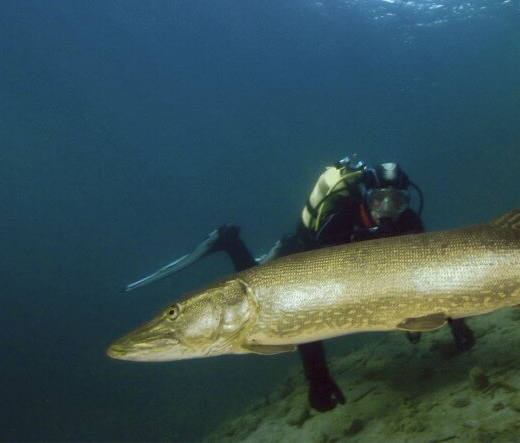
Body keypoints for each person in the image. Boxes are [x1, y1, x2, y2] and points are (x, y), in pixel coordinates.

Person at [125, 155, 475, 412]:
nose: (387, 209)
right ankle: (229, 241)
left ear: (406, 201)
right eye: (378, 199)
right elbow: (308, 312)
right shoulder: (338, 221)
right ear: (365, 198)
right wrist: (317, 378)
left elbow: (435, 276)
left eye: (396, 201)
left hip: (370, 275)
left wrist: (455, 321)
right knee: (255, 287)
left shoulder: (408, 222)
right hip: (299, 261)